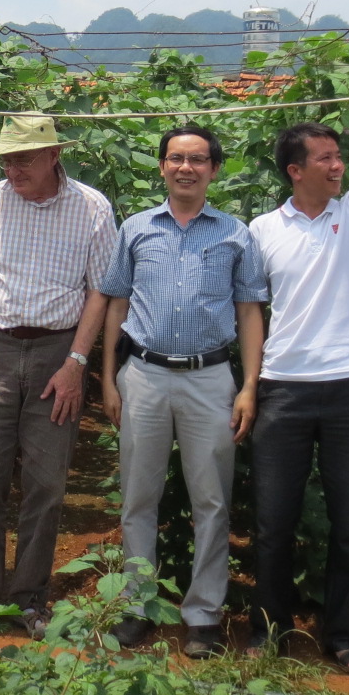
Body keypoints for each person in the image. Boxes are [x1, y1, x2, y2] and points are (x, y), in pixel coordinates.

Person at [245, 28, 349, 677]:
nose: (338, 166)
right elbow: (251, 313)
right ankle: (269, 627)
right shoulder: (261, 230)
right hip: (283, 388)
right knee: (273, 522)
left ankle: (344, 635)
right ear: (295, 170)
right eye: (326, 159)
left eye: (339, 157)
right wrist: (251, 385)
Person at [98, 125, 267, 658]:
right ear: (162, 166)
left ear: (213, 169)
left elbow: (249, 312)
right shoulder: (136, 228)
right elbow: (117, 303)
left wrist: (249, 386)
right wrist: (108, 377)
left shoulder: (236, 234)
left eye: (197, 159)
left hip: (210, 378)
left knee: (211, 501)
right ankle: (138, 606)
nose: (185, 167)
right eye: (176, 158)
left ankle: (203, 615)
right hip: (143, 375)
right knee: (138, 497)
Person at [0, 114, 117, 636]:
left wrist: (76, 363)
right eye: (6, 159)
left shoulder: (91, 206)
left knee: (46, 484)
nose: (11, 168)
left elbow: (100, 290)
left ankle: (29, 600)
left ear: (53, 155)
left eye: (22, 158)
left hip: (56, 356)